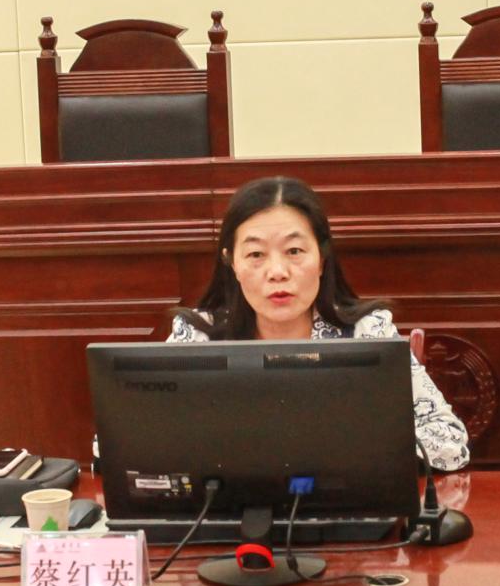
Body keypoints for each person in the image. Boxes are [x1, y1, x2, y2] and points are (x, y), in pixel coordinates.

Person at [170, 176, 469, 471]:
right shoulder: (197, 337)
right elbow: (157, 439)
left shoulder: (366, 333)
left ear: (322, 259)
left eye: (294, 251)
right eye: (256, 254)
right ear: (232, 263)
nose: (278, 272)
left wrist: (346, 445)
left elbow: (450, 443)